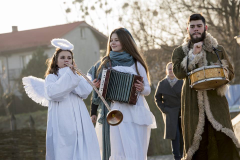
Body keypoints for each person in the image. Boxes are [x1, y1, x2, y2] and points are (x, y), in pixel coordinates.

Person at [171, 13, 240, 160]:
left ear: (205, 27)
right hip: (192, 106)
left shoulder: (218, 49)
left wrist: (222, 70)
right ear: (187, 29)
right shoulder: (179, 52)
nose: (196, 29)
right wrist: (193, 55)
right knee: (198, 148)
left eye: (199, 26)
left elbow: (231, 73)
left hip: (217, 104)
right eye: (192, 26)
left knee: (224, 143)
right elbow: (178, 73)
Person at [23, 39, 101, 160]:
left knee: (83, 147)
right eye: (63, 57)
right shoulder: (51, 78)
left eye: (69, 58)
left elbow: (84, 92)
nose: (66, 60)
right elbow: (54, 93)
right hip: (63, 119)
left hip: (80, 119)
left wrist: (85, 81)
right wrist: (68, 75)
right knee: (65, 149)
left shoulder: (76, 75)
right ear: (56, 60)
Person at [88, 28, 156, 160]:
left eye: (116, 40)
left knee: (136, 147)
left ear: (125, 42)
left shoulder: (136, 64)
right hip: (116, 110)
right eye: (111, 40)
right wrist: (95, 86)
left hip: (136, 110)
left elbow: (147, 90)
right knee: (118, 148)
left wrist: (142, 88)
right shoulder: (105, 63)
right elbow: (91, 80)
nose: (112, 43)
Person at [155, 62, 183, 160]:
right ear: (167, 71)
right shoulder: (162, 84)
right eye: (169, 69)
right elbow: (157, 98)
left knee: (183, 136)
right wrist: (164, 109)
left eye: (173, 68)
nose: (171, 71)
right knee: (174, 136)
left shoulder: (182, 82)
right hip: (170, 113)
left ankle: (184, 156)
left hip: (182, 112)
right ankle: (177, 157)